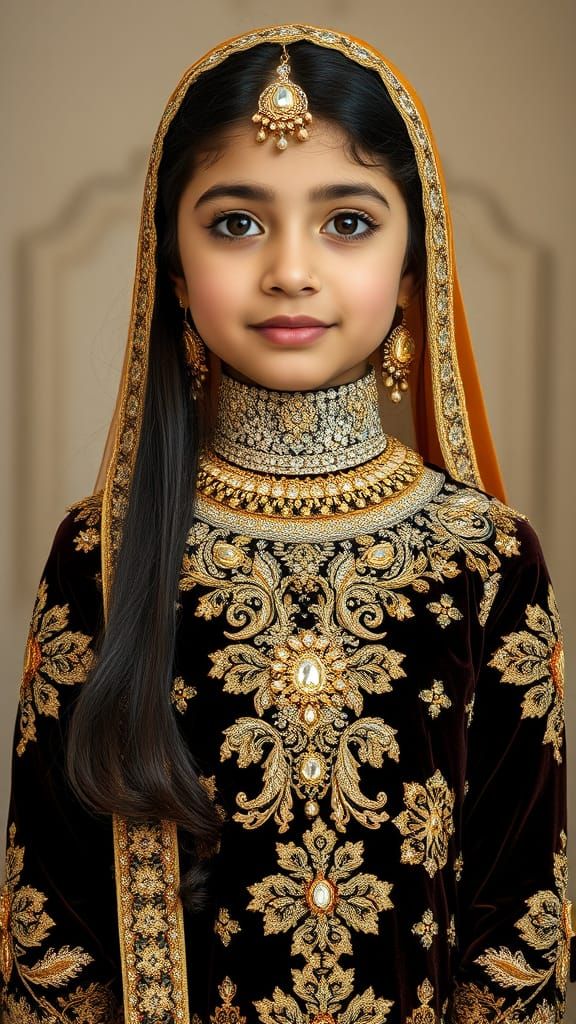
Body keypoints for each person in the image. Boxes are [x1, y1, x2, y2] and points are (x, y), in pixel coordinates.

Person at [0, 23, 572, 1024]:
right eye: (235, 224)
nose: (291, 271)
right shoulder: (102, 553)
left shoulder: (484, 556)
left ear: (412, 269)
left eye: (347, 221)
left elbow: (519, 920)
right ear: (172, 270)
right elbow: (53, 927)